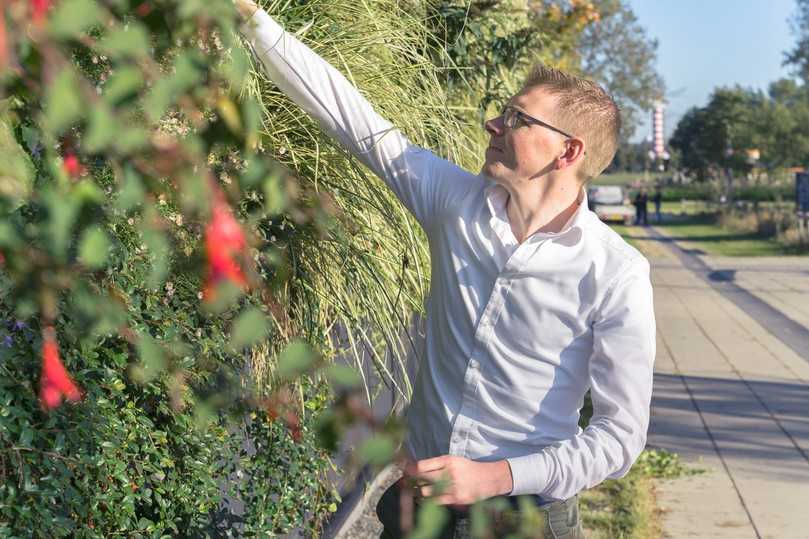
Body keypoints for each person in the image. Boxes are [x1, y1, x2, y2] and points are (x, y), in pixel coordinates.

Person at [235, 2, 655, 537]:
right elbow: (356, 121)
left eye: (518, 119)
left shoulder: (616, 272)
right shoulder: (454, 203)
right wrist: (251, 19)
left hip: (526, 519)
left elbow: (619, 437)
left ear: (567, 151)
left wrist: (495, 476)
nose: (494, 123)